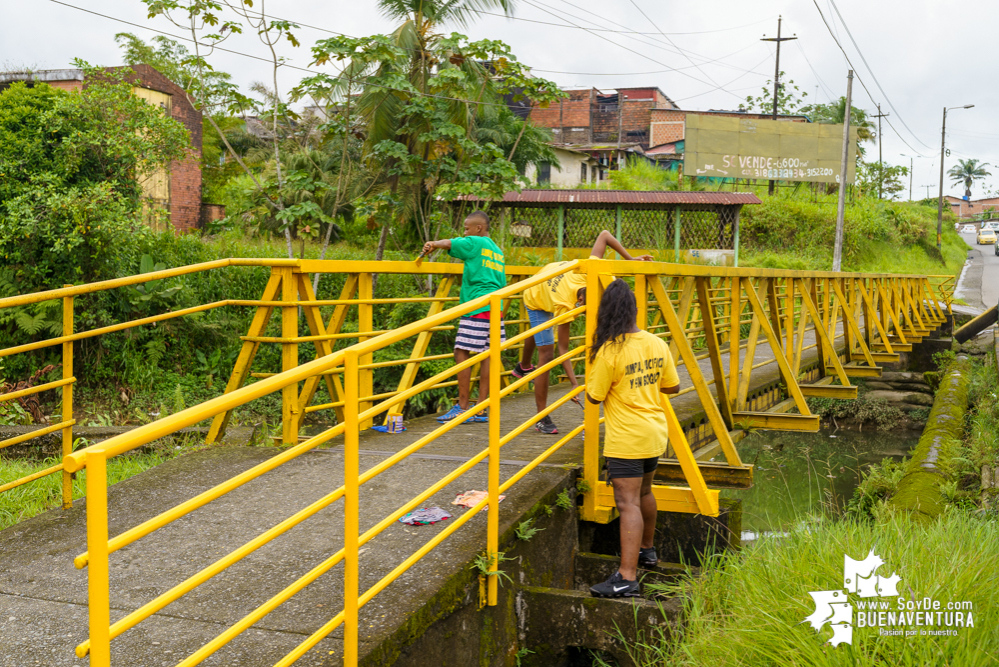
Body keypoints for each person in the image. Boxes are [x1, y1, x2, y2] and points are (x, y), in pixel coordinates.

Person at [585, 279, 680, 598]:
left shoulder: (610, 350)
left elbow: (595, 396)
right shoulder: (656, 343)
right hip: (655, 432)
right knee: (645, 493)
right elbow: (672, 387)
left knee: (627, 503)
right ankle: (647, 550)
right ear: (635, 310)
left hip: (627, 437)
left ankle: (627, 577)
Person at [513, 230, 652, 435]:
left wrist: (631, 259)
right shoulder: (564, 305)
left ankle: (523, 366)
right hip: (536, 296)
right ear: (580, 302)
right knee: (547, 353)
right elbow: (564, 348)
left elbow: (604, 235)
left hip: (552, 273)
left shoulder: (594, 272)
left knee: (540, 337)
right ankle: (541, 417)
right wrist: (574, 384)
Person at [422, 210, 507, 424]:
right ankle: (481, 406)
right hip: (495, 306)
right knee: (487, 354)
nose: (465, 232)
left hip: (477, 305)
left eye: (467, 228)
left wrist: (433, 243)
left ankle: (462, 406)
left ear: (479, 229)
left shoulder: (475, 242)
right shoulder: (497, 250)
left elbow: (451, 243)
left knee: (461, 351)